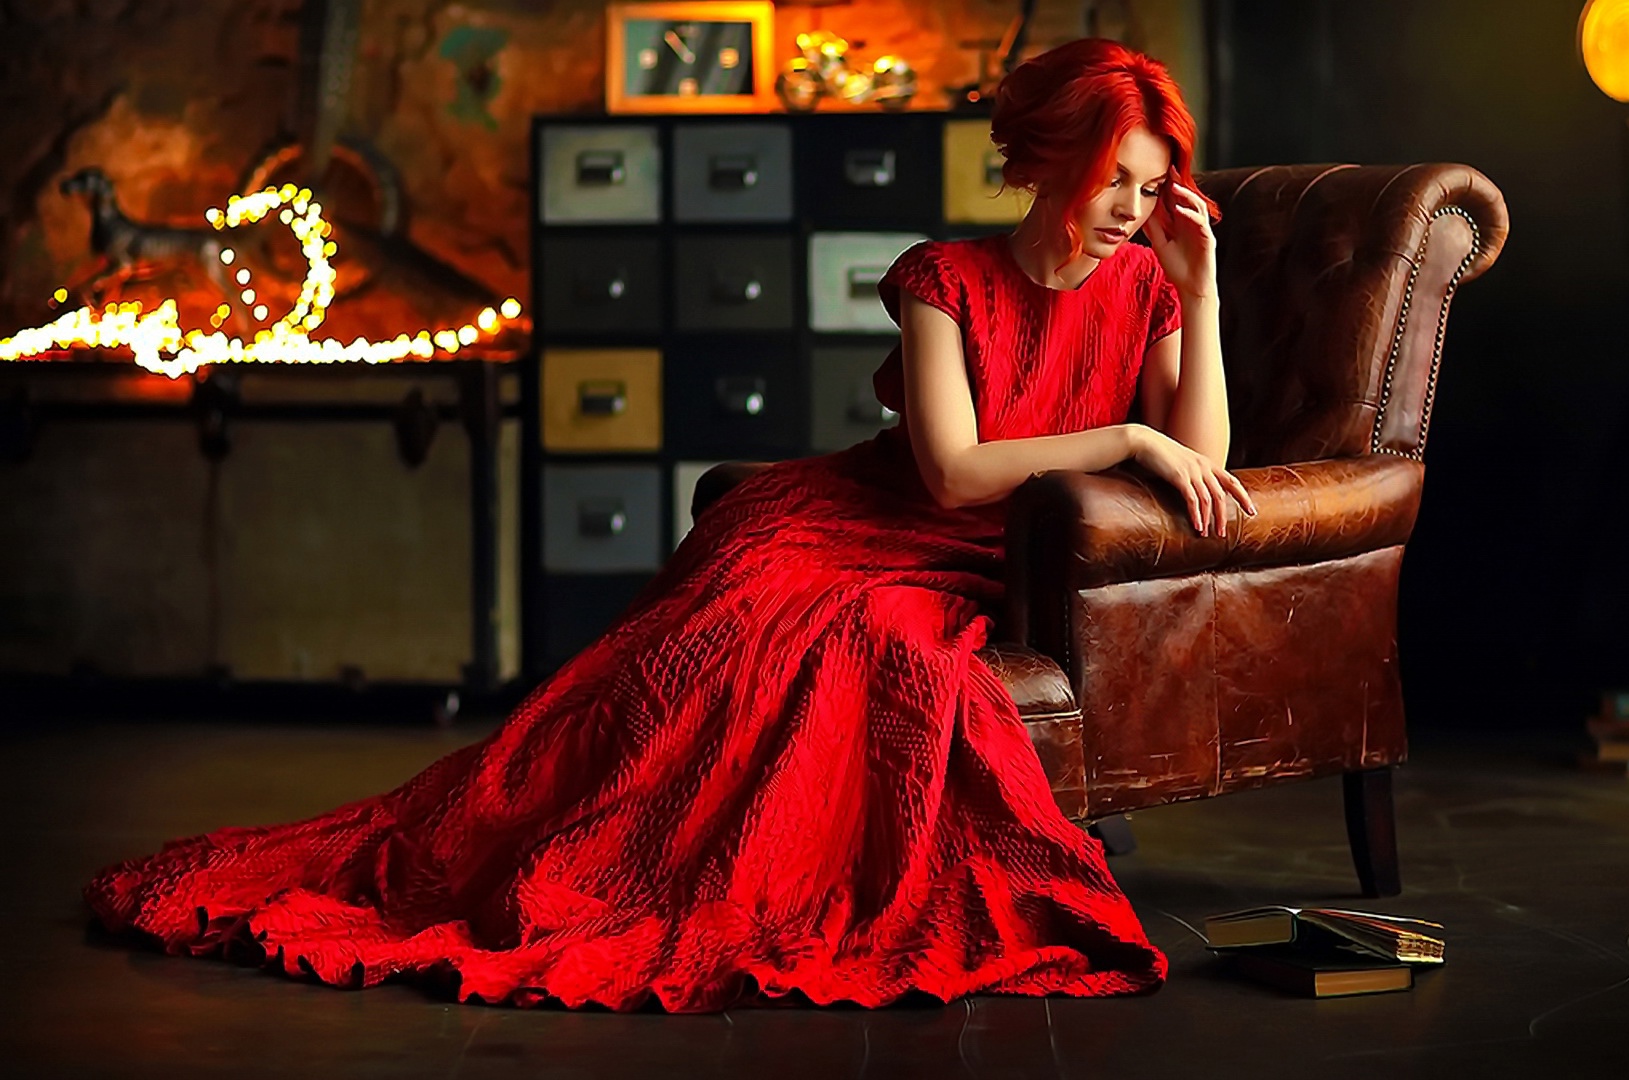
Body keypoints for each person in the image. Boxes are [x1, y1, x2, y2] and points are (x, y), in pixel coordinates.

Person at [81, 37, 1257, 1014]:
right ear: (1049, 160)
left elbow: (1198, 461)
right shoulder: (943, 278)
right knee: (744, 638)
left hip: (993, 555)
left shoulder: (1149, 288)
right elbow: (951, 475)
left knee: (875, 649)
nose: (1132, 210)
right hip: (864, 519)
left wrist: (1198, 296)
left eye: (1154, 187)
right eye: (1116, 179)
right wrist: (1121, 440)